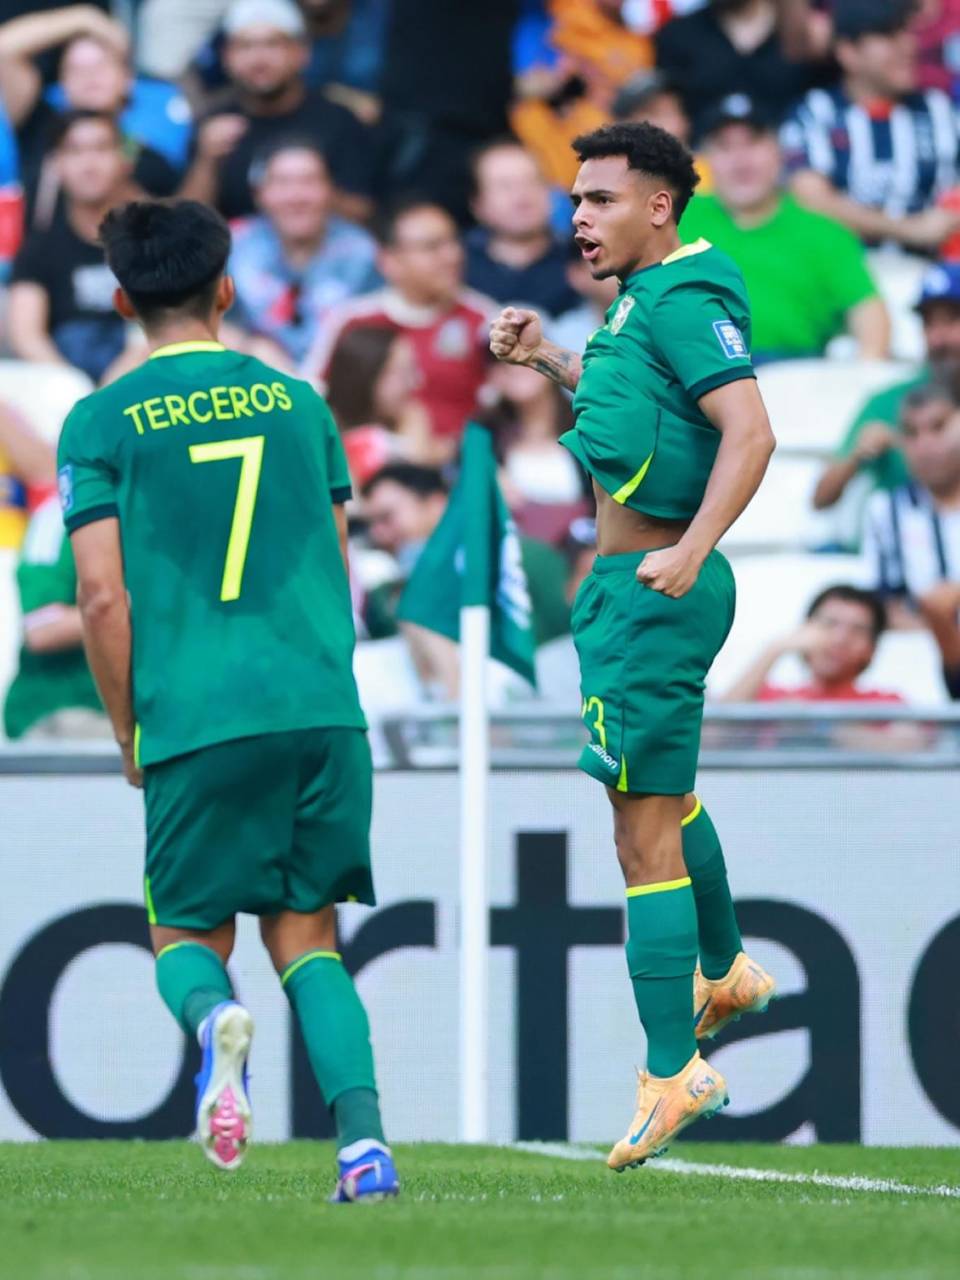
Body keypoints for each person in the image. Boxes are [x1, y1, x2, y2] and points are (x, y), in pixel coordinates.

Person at [56, 198, 398, 1201]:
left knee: (184, 936)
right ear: (228, 288)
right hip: (318, 703)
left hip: (198, 710)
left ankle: (215, 1026)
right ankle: (364, 1145)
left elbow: (100, 593)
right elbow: (337, 560)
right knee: (310, 934)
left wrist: (130, 728)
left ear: (122, 298)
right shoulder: (302, 402)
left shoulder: (101, 418)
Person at [489, 121, 777, 1169]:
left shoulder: (689, 296)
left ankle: (672, 1069)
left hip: (658, 583)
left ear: (659, 204)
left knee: (640, 832)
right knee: (655, 798)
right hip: (632, 586)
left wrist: (694, 549)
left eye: (600, 199)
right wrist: (550, 357)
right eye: (574, 200)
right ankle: (726, 966)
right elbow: (647, 413)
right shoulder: (640, 304)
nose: (579, 218)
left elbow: (751, 431)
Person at [681, 94, 889, 363]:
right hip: (688, 370)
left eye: (753, 143)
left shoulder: (823, 232)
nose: (741, 161)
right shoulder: (676, 218)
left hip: (791, 377)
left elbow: (868, 312)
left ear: (778, 150)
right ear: (706, 158)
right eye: (724, 147)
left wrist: (865, 373)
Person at [306, 199, 495, 462]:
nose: (452, 256)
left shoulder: (484, 320)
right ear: (390, 260)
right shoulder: (353, 321)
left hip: (461, 469)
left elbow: (499, 411)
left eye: (453, 242)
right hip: (366, 474)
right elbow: (315, 403)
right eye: (432, 247)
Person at [782, 0, 960, 253]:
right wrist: (912, 229)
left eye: (907, 32)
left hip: (934, 279)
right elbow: (810, 200)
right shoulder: (816, 113)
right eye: (888, 34)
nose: (908, 45)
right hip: (844, 275)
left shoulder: (941, 111)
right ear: (848, 52)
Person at [181, 0, 379, 224]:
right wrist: (206, 162)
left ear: (302, 53)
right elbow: (188, 231)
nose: (259, 59)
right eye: (245, 46)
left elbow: (363, 214)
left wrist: (303, 190)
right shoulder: (212, 124)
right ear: (226, 57)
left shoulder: (339, 121)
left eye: (272, 44)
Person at [0, 4, 190, 217]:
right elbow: (4, 50)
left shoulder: (150, 152)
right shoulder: (40, 122)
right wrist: (85, 18)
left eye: (101, 65)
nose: (90, 77)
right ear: (62, 84)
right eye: (76, 69)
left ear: (127, 78)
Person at [360, 460, 571, 648]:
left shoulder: (524, 559)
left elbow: (568, 641)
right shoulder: (385, 597)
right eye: (370, 525)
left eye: (387, 517)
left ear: (436, 504)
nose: (378, 534)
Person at [813, 263, 960, 512]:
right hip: (901, 545)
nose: (938, 338)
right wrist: (857, 455)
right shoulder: (889, 401)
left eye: (951, 320)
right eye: (929, 324)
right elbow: (821, 498)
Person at [7, 111, 139, 382]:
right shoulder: (38, 248)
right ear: (56, 165)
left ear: (123, 160)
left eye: (101, 148)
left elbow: (171, 323)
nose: (89, 164)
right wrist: (74, 390)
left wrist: (115, 386)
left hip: (143, 377)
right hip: (64, 385)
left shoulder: (154, 241)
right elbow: (26, 336)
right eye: (75, 151)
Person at [228, 139, 379, 365]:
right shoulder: (233, 245)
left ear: (331, 190)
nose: (296, 196)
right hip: (253, 384)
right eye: (282, 182)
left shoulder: (362, 253)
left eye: (309, 181)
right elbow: (200, 326)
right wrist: (251, 349)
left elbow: (381, 338)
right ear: (260, 193)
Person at [862, 382, 960, 696]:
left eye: (938, 427)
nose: (925, 445)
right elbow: (884, 607)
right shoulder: (885, 509)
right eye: (911, 433)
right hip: (919, 660)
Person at [3, 493, 109, 741]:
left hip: (151, 710)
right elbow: (41, 629)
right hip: (66, 712)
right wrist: (125, 608)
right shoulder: (59, 514)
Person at [655, 0, 825, 138]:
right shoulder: (677, 36)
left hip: (794, 165)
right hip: (701, 167)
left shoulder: (806, 34)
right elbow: (668, 114)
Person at [720, 583, 903, 703]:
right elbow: (712, 735)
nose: (840, 639)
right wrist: (774, 649)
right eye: (829, 624)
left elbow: (907, 745)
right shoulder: (767, 697)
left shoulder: (885, 704)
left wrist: (814, 720)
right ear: (805, 630)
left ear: (871, 648)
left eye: (857, 630)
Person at [465, 140, 580, 320]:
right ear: (477, 204)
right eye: (505, 186)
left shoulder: (581, 261)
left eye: (533, 181)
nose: (522, 195)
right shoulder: (456, 266)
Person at [324, 325, 430, 483]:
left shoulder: (408, 417)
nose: (416, 382)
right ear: (367, 375)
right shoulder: (320, 428)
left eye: (413, 369)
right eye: (403, 372)